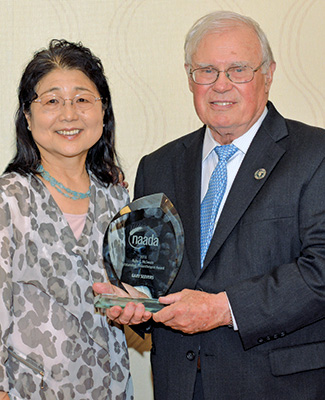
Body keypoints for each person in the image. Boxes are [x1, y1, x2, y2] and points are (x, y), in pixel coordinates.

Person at [94, 10, 325, 400]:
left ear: (267, 74)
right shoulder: (158, 166)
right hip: (180, 385)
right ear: (189, 77)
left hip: (277, 387)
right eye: (206, 71)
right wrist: (138, 307)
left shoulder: (315, 155)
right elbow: (149, 274)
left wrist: (224, 309)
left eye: (238, 69)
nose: (221, 85)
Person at [0, 39, 139, 400]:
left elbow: (133, 296)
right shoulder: (10, 199)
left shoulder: (117, 197)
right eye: (51, 101)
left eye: (82, 99)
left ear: (103, 111)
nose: (68, 114)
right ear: (27, 118)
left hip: (112, 388)